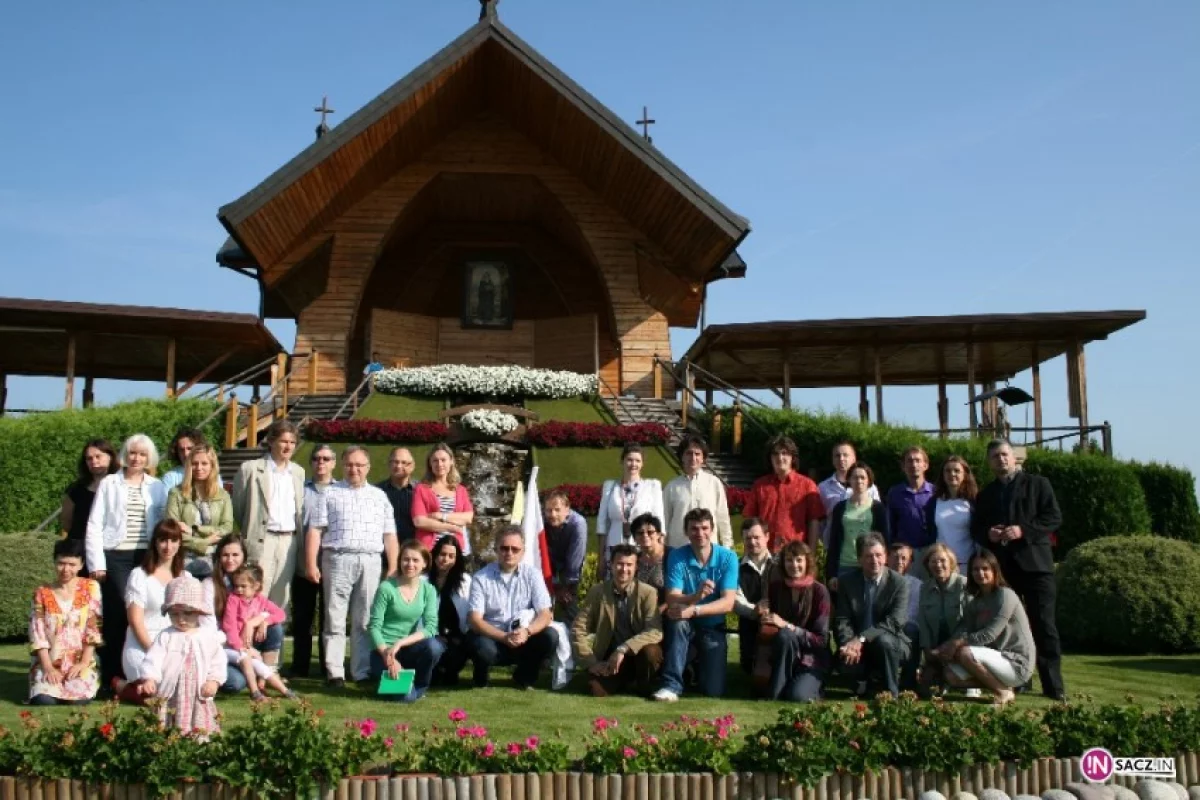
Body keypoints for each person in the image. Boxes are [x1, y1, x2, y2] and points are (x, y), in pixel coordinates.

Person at [972, 438, 1065, 701]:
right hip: (1004, 570)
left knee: (1044, 624)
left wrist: (1022, 530)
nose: (1000, 460)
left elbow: (1053, 517)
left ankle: (1054, 685)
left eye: (1004, 455)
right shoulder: (986, 494)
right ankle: (1021, 679)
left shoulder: (1038, 484)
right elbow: (976, 529)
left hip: (1036, 566)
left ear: (1014, 458)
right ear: (989, 463)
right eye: (995, 457)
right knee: (1012, 629)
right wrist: (988, 534)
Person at [305, 445, 399, 686]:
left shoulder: (379, 497)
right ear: (343, 466)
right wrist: (310, 563)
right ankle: (335, 671)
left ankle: (361, 671)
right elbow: (315, 530)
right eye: (349, 464)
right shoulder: (330, 493)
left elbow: (390, 535)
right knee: (334, 617)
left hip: (370, 560)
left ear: (368, 467)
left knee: (364, 619)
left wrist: (393, 565)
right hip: (337, 558)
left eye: (359, 465)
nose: (354, 469)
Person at [85, 433, 167, 689]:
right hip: (116, 554)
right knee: (120, 611)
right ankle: (112, 674)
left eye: (142, 454)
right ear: (125, 454)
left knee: (146, 611)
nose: (136, 458)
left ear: (149, 458)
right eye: (133, 453)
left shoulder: (157, 486)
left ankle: (145, 669)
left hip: (146, 555)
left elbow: (164, 523)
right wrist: (96, 563)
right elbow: (95, 523)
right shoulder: (110, 482)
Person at [653, 508, 738, 702]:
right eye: (694, 529)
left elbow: (727, 603)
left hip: (713, 628)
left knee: (713, 691)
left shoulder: (728, 557)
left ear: (712, 529)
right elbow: (672, 597)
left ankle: (693, 667)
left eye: (704, 528)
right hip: (686, 625)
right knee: (678, 621)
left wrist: (694, 609)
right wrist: (696, 595)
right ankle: (671, 685)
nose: (700, 533)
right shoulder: (677, 556)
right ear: (686, 531)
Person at [938, 550, 1037, 707]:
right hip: (996, 660)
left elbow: (989, 635)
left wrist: (958, 644)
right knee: (950, 675)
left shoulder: (1006, 595)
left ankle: (1002, 692)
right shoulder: (975, 602)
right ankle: (1004, 687)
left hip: (1017, 662)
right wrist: (947, 647)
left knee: (965, 652)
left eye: (985, 568)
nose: (980, 573)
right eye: (975, 569)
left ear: (994, 570)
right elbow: (965, 630)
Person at [465, 526, 556, 689]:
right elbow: (474, 620)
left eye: (515, 549)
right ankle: (481, 674)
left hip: (523, 637)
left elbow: (545, 613)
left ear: (523, 552)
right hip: (493, 637)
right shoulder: (481, 578)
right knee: (480, 646)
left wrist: (527, 632)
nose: (509, 553)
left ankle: (524, 676)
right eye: (504, 548)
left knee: (550, 636)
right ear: (496, 549)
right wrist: (503, 637)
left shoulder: (533, 575)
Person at [572, 543, 664, 697]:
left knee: (651, 652)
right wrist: (591, 663)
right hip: (609, 659)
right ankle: (623, 683)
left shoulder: (648, 593)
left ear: (636, 567)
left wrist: (624, 648)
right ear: (611, 565)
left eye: (629, 565)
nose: (624, 569)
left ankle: (643, 684)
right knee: (596, 691)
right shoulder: (597, 592)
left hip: (638, 655)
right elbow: (578, 629)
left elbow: (655, 630)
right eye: (620, 564)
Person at [139, 574, 225, 736]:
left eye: (187, 613)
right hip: (172, 691)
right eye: (175, 614)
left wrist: (214, 681)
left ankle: (199, 743)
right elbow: (153, 659)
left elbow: (217, 661)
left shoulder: (206, 636)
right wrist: (150, 678)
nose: (181, 619)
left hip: (198, 692)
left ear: (198, 612)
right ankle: (169, 742)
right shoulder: (166, 636)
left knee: (199, 720)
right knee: (168, 717)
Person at [232, 420, 305, 609]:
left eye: (292, 442)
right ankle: (252, 637)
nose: (288, 446)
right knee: (255, 593)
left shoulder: (298, 472)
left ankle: (274, 637)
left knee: (281, 598)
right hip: (262, 539)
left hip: (289, 541)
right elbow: (239, 508)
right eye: (283, 441)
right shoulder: (250, 468)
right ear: (271, 441)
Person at [202, 534, 284, 693]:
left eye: (235, 555)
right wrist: (242, 649)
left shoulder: (248, 582)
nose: (230, 559)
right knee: (236, 683)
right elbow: (210, 630)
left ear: (243, 556)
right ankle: (247, 672)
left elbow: (272, 610)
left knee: (275, 628)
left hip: (245, 639)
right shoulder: (210, 585)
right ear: (218, 557)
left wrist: (258, 621)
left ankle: (264, 674)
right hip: (222, 645)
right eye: (225, 555)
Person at [833, 533, 912, 698]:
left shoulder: (899, 583)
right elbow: (842, 619)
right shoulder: (847, 582)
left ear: (886, 556)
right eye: (868, 556)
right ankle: (867, 683)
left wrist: (861, 638)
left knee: (883, 642)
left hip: (891, 642)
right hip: (857, 645)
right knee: (845, 665)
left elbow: (894, 622)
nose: (874, 560)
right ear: (859, 559)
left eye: (878, 555)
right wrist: (848, 645)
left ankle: (891, 693)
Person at [115, 519, 186, 701]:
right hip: (143, 645)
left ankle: (127, 687)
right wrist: (155, 650)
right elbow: (135, 621)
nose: (168, 546)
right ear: (155, 542)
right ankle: (124, 686)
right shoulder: (139, 576)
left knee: (182, 691)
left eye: (173, 540)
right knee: (157, 694)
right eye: (163, 540)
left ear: (179, 543)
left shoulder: (185, 577)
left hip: (174, 646)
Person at [368, 540, 445, 702]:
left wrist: (401, 643)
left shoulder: (428, 590)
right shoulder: (386, 588)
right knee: (406, 699)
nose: (410, 564)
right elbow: (374, 627)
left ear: (424, 563)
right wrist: (389, 657)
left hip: (407, 649)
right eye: (405, 559)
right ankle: (396, 685)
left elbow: (431, 628)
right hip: (383, 651)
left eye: (415, 560)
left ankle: (419, 687)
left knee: (434, 646)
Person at [27, 538, 102, 705]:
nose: (66, 569)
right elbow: (37, 635)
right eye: (61, 563)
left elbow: (93, 629)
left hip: (80, 661)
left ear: (81, 565)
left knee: (78, 700)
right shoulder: (41, 592)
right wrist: (48, 667)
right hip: (48, 662)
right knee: (44, 701)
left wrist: (83, 663)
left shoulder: (91, 588)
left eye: (72, 564)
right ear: (55, 562)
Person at [759, 541, 831, 702]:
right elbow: (769, 623)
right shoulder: (776, 588)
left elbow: (821, 640)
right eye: (789, 560)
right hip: (782, 656)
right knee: (785, 636)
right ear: (783, 564)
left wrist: (787, 625)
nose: (794, 565)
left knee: (798, 696)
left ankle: (814, 686)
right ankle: (778, 689)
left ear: (807, 562)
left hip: (811, 659)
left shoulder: (820, 591)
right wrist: (764, 612)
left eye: (799, 560)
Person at [290, 445, 335, 679]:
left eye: (326, 458)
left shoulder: (341, 491)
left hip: (332, 564)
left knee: (329, 618)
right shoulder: (300, 490)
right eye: (316, 458)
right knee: (302, 618)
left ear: (333, 463)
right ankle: (300, 666)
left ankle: (329, 667)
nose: (321, 462)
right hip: (303, 562)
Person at [222, 565, 297, 701]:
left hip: (248, 646)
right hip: (233, 646)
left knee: (263, 667)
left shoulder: (260, 600)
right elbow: (229, 627)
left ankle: (285, 692)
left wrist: (265, 621)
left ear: (256, 586)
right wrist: (242, 648)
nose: (238, 589)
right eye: (236, 585)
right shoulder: (233, 600)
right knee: (251, 662)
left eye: (243, 586)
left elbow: (280, 614)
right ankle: (256, 692)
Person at [743, 435, 825, 551]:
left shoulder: (807, 486)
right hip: (764, 552)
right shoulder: (759, 486)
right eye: (775, 454)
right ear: (770, 458)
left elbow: (814, 522)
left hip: (795, 555)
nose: (780, 458)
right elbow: (750, 521)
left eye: (784, 453)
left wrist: (810, 552)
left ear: (793, 457)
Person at [166, 444, 233, 579]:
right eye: (195, 463)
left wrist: (194, 530)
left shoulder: (222, 495)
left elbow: (227, 528)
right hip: (183, 562)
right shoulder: (176, 494)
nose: (199, 468)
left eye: (204, 463)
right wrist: (205, 542)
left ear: (212, 466)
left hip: (215, 562)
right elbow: (172, 531)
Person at [598, 444, 665, 569]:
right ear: (622, 461)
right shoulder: (610, 487)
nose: (633, 464)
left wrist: (659, 551)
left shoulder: (652, 486)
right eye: (629, 460)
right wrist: (600, 557)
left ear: (642, 464)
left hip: (642, 547)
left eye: (637, 460)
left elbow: (659, 521)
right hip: (614, 546)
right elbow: (602, 523)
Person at [916, 543, 970, 695]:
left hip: (960, 644)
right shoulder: (924, 588)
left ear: (951, 563)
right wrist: (927, 649)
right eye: (933, 562)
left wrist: (952, 645)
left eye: (942, 561)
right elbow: (923, 622)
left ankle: (972, 684)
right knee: (925, 690)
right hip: (936, 647)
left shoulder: (964, 584)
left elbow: (970, 622)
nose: (938, 565)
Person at [825, 463, 890, 590]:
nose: (859, 481)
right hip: (845, 564)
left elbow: (885, 540)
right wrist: (831, 573)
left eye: (862, 477)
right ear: (849, 480)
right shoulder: (840, 507)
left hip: (871, 564)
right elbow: (834, 540)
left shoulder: (878, 508)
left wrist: (884, 565)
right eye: (855, 477)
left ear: (869, 481)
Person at [663, 435, 733, 549]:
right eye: (689, 453)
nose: (693, 457)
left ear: (703, 458)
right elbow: (664, 519)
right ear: (682, 457)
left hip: (709, 550)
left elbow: (723, 516)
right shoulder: (672, 487)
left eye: (697, 454)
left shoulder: (713, 483)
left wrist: (727, 545)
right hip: (679, 548)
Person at [427, 534, 473, 686]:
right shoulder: (423, 580)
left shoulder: (465, 582)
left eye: (451, 556)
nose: (446, 559)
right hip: (429, 634)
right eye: (442, 554)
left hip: (456, 636)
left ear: (457, 558)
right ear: (434, 555)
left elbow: (469, 614)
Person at [411, 444, 473, 552]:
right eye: (435, 460)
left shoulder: (461, 490)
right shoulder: (421, 489)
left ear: (451, 461)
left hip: (455, 550)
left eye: (443, 460)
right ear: (430, 464)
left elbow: (468, 517)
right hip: (429, 549)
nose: (439, 464)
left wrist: (441, 516)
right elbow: (419, 521)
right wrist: (451, 527)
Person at [885, 447, 937, 578]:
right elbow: (890, 526)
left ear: (926, 465)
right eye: (909, 461)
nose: (914, 464)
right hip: (905, 554)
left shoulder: (935, 492)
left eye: (918, 460)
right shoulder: (895, 493)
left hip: (930, 552)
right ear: (903, 466)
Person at [60, 439, 119, 552]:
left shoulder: (121, 486)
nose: (94, 461)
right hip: (80, 548)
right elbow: (66, 520)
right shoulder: (76, 489)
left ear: (110, 457)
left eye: (98, 456)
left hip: (111, 549)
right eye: (89, 458)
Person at [817, 441, 879, 546]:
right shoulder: (823, 488)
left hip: (864, 547)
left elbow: (877, 516)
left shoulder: (870, 487)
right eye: (837, 456)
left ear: (854, 458)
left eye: (845, 455)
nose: (841, 459)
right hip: (835, 545)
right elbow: (820, 522)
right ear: (832, 460)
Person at [733, 518, 773, 674]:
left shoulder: (781, 564)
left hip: (777, 625)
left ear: (767, 537)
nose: (752, 542)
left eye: (756, 537)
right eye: (747, 538)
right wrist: (755, 610)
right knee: (751, 670)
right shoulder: (735, 567)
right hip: (749, 627)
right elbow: (736, 600)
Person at [929, 455, 979, 574]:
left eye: (956, 471)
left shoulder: (974, 501)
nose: (952, 474)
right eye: (948, 471)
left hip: (967, 563)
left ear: (965, 474)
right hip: (942, 564)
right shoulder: (935, 501)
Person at [543, 490, 587, 621]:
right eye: (549, 510)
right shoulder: (540, 520)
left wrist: (565, 588)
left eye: (557, 510)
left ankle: (574, 634)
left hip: (570, 569)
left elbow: (575, 559)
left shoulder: (578, 524)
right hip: (548, 564)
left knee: (570, 605)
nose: (552, 514)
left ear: (567, 509)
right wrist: (553, 585)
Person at [887, 543, 923, 690]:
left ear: (911, 562)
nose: (899, 562)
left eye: (904, 558)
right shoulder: (878, 580)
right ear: (887, 558)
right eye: (895, 557)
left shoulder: (918, 585)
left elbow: (913, 615)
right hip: (881, 628)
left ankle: (908, 682)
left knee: (913, 630)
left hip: (906, 629)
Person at [378, 447, 417, 543]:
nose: (399, 466)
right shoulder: (377, 491)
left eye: (404, 463)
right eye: (395, 462)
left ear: (412, 466)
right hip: (385, 547)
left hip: (413, 549)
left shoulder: (420, 491)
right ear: (389, 464)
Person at [633, 513, 671, 605]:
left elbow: (678, 591)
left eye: (650, 532)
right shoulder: (634, 559)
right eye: (640, 533)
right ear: (634, 538)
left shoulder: (671, 555)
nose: (645, 535)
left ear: (658, 534)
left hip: (669, 610)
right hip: (640, 611)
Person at [160, 428, 206, 494]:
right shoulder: (170, 477)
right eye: (181, 450)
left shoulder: (211, 475)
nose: (186, 454)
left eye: (190, 448)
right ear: (177, 452)